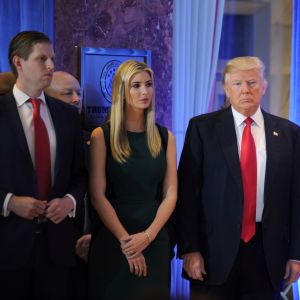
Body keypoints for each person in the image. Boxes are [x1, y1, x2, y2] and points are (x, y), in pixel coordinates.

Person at [176, 56, 300, 300]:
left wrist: (295, 254)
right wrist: (190, 249)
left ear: (264, 87)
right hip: (212, 254)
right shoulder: (202, 129)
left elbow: (296, 198)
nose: (245, 90)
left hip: (267, 254)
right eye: (237, 83)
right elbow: (188, 194)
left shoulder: (289, 133)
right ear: (226, 88)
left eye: (252, 82)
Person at [0, 31, 86, 300]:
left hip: (57, 248)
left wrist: (70, 201)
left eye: (52, 59)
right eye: (42, 59)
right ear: (18, 62)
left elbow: (81, 175)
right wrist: (10, 202)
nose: (51, 66)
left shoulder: (69, 116)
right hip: (7, 247)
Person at [88, 60, 177, 300]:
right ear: (121, 91)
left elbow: (171, 194)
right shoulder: (102, 135)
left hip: (155, 239)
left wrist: (147, 236)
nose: (144, 92)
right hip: (115, 238)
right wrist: (127, 243)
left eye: (148, 85)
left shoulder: (165, 136)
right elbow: (97, 194)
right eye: (135, 86)